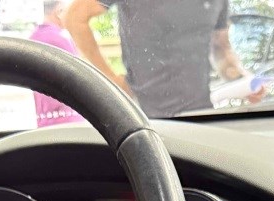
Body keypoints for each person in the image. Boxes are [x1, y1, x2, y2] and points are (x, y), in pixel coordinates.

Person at [63, 0, 259, 118]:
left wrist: (243, 80)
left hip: (201, 115)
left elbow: (221, 50)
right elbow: (75, 18)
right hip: (145, 120)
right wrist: (111, 81)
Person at [29, 0, 82, 126]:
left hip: (44, 119)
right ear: (59, 11)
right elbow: (80, 78)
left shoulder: (32, 39)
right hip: (68, 119)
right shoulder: (61, 40)